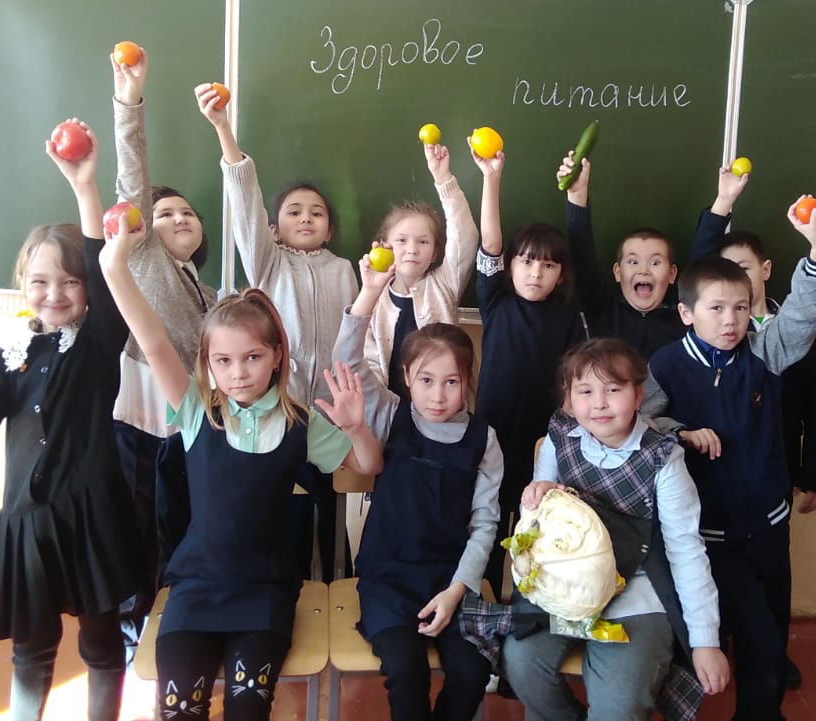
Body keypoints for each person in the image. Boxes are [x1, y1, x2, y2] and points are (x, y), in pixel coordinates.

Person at [100, 212, 383, 721]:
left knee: (247, 710)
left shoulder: (299, 423)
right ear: (207, 363)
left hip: (265, 594)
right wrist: (114, 266)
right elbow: (153, 341)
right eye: (223, 361)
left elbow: (368, 465)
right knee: (179, 712)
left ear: (276, 356)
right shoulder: (196, 411)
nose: (238, 373)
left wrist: (357, 427)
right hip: (194, 590)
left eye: (252, 357)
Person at [0, 122, 141, 721]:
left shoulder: (98, 340)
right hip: (28, 522)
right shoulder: (12, 352)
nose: (55, 293)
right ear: (23, 285)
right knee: (31, 646)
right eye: (40, 281)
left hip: (93, 519)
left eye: (69, 281)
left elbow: (103, 270)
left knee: (101, 640)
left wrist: (85, 187)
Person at [646, 197, 816, 721]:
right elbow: (640, 423)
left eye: (740, 307)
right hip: (706, 533)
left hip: (768, 526)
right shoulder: (667, 364)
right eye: (716, 309)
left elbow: (803, 315)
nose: (731, 320)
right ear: (686, 313)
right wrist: (681, 432)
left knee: (768, 646)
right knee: (716, 637)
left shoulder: (762, 350)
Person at [503, 338, 730, 721]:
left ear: (639, 395)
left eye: (613, 389)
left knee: (618, 706)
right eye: (585, 391)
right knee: (521, 662)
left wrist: (705, 641)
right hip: (566, 590)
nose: (599, 403)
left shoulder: (663, 458)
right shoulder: (560, 438)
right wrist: (539, 496)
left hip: (636, 596)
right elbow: (536, 522)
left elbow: (687, 552)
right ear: (570, 398)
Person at [197, 82, 358, 582]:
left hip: (329, 417)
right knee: (282, 519)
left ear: (330, 230)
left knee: (331, 518)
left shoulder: (345, 270)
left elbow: (360, 334)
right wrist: (224, 132)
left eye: (317, 213)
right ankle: (280, 588)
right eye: (294, 211)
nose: (306, 217)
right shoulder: (268, 264)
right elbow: (245, 207)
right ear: (272, 229)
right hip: (278, 416)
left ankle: (333, 585)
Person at [333, 252, 503, 721]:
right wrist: (369, 294)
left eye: (451, 382)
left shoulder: (483, 439)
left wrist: (457, 591)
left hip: (451, 579)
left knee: (471, 671)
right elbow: (346, 361)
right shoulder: (392, 415)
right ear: (406, 378)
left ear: (467, 382)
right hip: (387, 578)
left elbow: (485, 525)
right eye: (426, 380)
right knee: (406, 672)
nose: (438, 394)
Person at [689, 166, 816, 689]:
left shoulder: (776, 342)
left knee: (770, 594)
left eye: (743, 273)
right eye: (718, 293)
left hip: (771, 486)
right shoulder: (679, 356)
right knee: (715, 588)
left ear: (764, 272)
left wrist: (813, 473)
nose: (730, 305)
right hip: (710, 499)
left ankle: (768, 661)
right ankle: (719, 651)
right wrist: (721, 203)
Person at [108, 43, 218, 662]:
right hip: (145, 424)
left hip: (188, 428)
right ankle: (134, 650)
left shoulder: (208, 292)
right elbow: (132, 182)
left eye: (188, 213)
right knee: (140, 543)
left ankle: (171, 642)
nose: (178, 218)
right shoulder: (145, 255)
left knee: (178, 536)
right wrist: (129, 100)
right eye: (164, 212)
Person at [472, 143, 587, 599]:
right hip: (494, 434)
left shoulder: (567, 314)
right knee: (489, 522)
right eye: (525, 260)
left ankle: (528, 607)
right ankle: (483, 601)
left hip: (544, 442)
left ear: (561, 273)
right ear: (510, 267)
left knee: (537, 528)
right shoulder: (495, 301)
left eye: (548, 264)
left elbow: (574, 380)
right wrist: (491, 178)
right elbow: (490, 244)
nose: (535, 272)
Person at [363, 141, 479, 397]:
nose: (412, 249)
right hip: (389, 407)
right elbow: (368, 360)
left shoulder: (444, 284)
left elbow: (466, 237)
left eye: (423, 242)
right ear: (384, 247)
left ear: (435, 252)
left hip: (438, 404)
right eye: (401, 240)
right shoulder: (374, 298)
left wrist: (443, 178)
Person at [555, 151, 684, 358]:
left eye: (655, 262)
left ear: (672, 274)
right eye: (633, 261)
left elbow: (704, 257)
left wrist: (724, 200)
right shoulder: (603, 308)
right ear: (617, 271)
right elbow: (582, 256)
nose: (643, 270)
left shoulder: (685, 314)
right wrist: (577, 195)